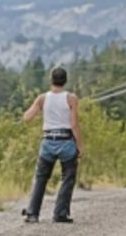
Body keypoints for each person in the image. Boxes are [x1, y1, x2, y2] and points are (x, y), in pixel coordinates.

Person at [21, 66, 83, 223]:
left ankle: (32, 213)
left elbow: (27, 118)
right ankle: (60, 214)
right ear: (65, 81)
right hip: (66, 141)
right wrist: (80, 146)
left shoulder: (42, 98)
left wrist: (38, 108)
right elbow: (74, 124)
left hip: (48, 141)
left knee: (41, 177)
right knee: (68, 178)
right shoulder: (71, 99)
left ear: (51, 80)